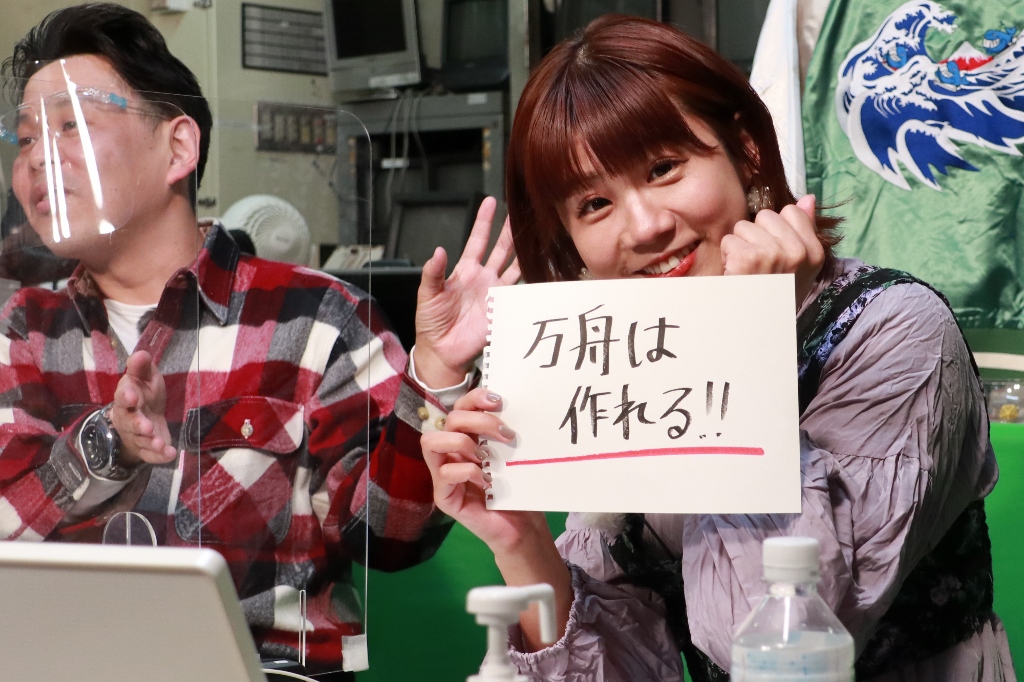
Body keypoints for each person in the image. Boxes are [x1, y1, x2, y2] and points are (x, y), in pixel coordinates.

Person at [421, 15, 1015, 682]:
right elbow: (627, 669)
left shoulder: (897, 329)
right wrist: (523, 540)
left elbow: (769, 643)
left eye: (663, 168)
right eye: (593, 205)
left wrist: (746, 336)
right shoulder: (631, 364)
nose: (644, 227)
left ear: (746, 150)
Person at [0, 4, 515, 675]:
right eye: (25, 138)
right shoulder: (24, 327)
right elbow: (8, 523)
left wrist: (437, 372)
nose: (39, 159)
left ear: (177, 149)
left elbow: (390, 535)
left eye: (71, 124)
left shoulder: (317, 318)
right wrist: (108, 443)